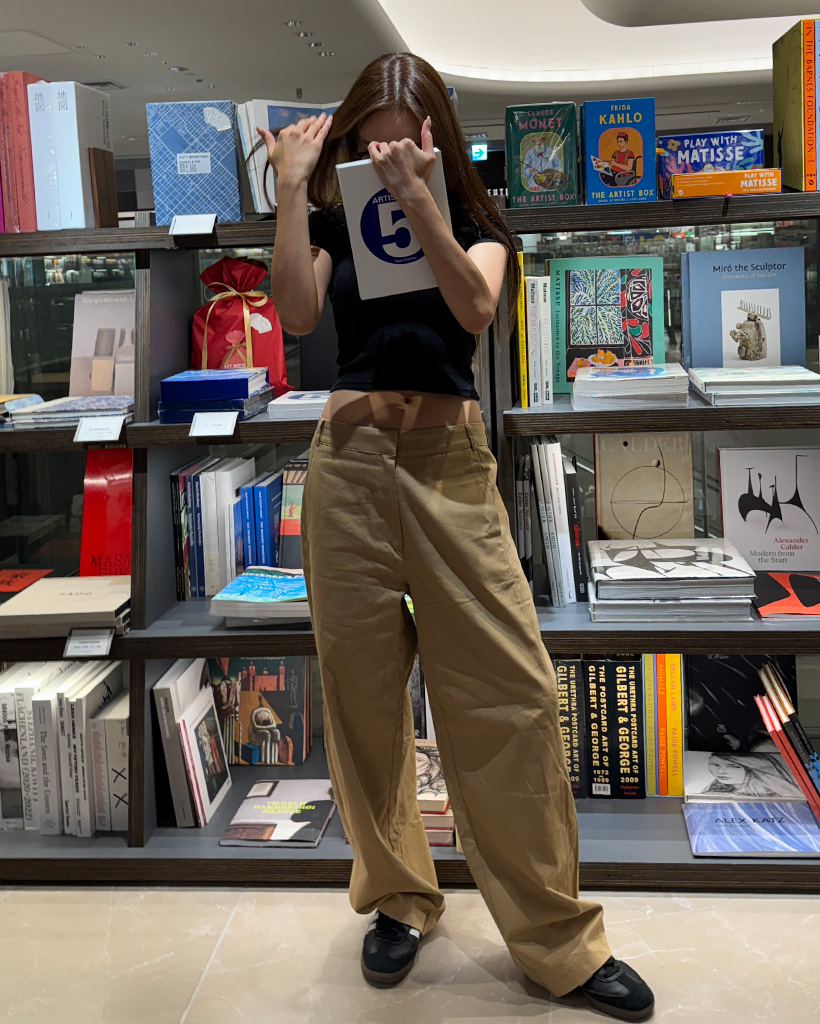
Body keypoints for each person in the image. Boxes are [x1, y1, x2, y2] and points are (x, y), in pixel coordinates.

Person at [258, 51, 654, 1022]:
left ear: (435, 136)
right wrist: (294, 191)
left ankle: (558, 938)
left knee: (512, 696)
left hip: (449, 469)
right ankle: (399, 897)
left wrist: (421, 203)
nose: (386, 163)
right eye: (370, 151)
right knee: (360, 701)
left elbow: (474, 310)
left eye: (405, 147)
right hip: (348, 469)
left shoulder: (479, 224)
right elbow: (298, 312)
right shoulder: (328, 218)